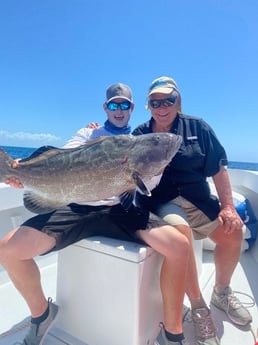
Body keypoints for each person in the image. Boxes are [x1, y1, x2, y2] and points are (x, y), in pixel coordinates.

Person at [1, 83, 191, 345]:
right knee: (8, 249)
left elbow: (147, 185)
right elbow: (63, 157)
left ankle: (172, 333)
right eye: (114, 105)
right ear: (106, 108)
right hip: (79, 208)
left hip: (120, 210)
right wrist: (22, 172)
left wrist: (155, 165)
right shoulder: (87, 133)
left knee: (180, 245)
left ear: (132, 108)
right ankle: (42, 314)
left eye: (124, 104)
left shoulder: (139, 136)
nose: (119, 109)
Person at [132, 76, 253, 345]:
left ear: (178, 101)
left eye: (168, 100)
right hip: (162, 202)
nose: (161, 106)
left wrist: (229, 207)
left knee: (233, 232)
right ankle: (198, 307)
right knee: (181, 232)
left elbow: (218, 169)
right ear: (148, 105)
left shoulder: (198, 127)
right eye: (155, 102)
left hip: (198, 199)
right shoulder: (139, 135)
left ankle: (221, 292)